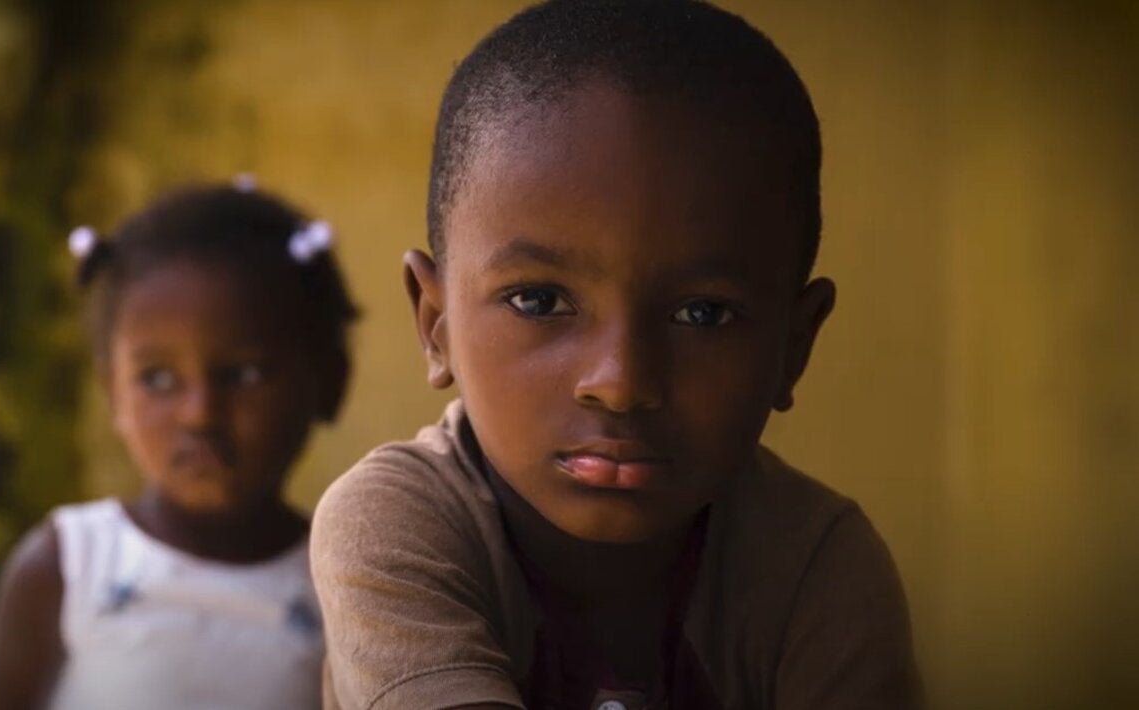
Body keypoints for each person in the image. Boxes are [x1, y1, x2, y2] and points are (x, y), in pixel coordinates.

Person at [310, 1, 920, 708]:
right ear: (435, 321)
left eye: (703, 313)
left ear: (794, 344)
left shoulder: (817, 566)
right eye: (538, 300)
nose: (622, 383)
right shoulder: (393, 524)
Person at [0, 180, 358, 710]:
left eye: (243, 373)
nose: (199, 413)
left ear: (330, 384)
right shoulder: (68, 566)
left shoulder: (345, 586)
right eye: (156, 379)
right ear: (112, 394)